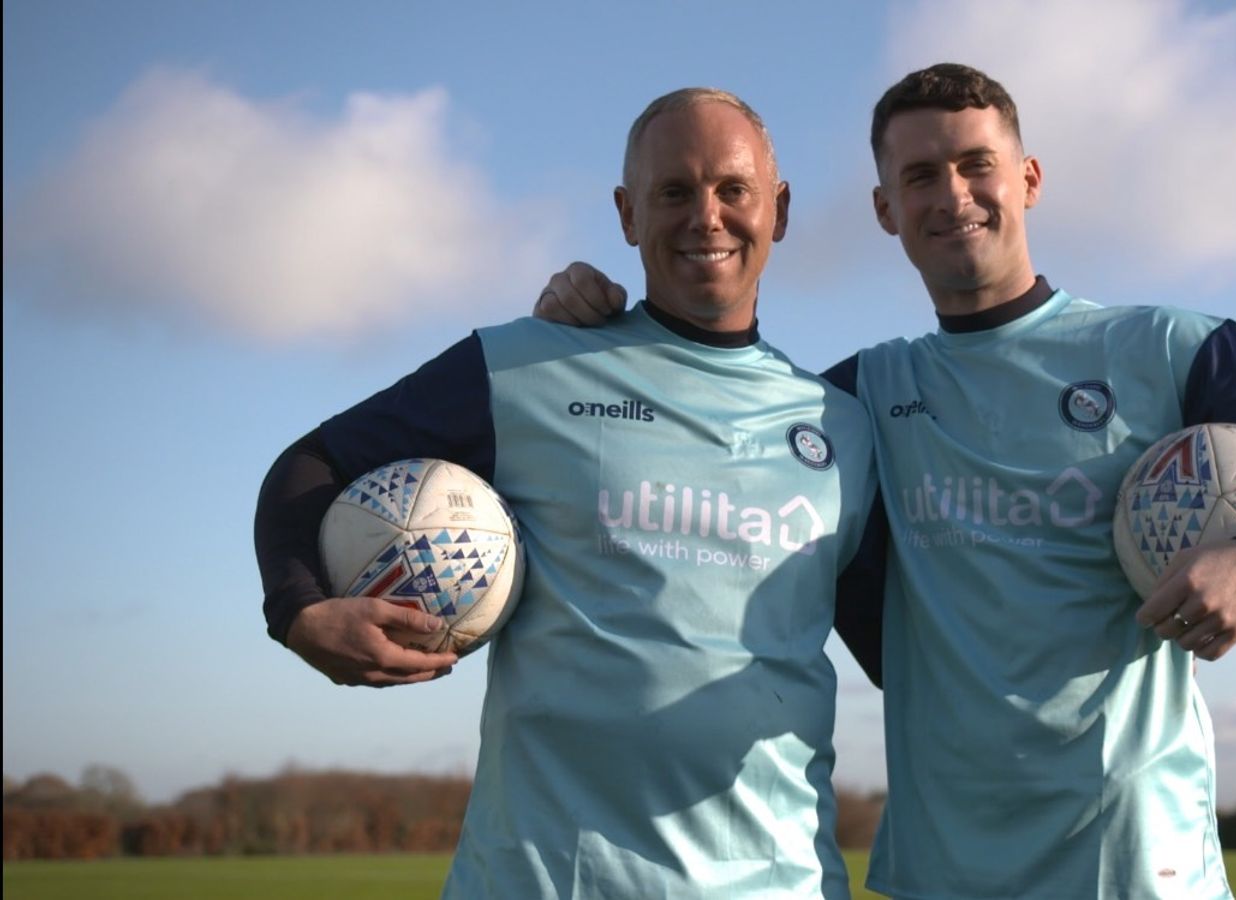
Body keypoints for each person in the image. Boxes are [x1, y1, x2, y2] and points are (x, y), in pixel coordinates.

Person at [533, 64, 1236, 898]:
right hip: (943, 867)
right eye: (921, 176)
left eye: (976, 165)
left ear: (1029, 178)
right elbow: (713, 426)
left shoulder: (1164, 347)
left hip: (1134, 859)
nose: (953, 195)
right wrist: (589, 330)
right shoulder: (858, 397)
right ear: (885, 209)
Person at [253, 87, 885, 898]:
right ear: (627, 214)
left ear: (781, 208)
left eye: (733, 189)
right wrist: (299, 610)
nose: (707, 215)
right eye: (673, 192)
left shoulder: (843, 428)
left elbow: (908, 655)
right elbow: (312, 462)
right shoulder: (523, 367)